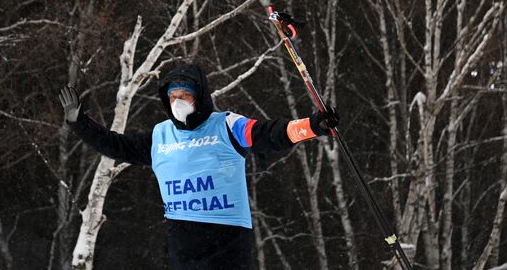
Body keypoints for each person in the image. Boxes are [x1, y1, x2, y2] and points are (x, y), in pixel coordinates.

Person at [59, 63, 339, 270]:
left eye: (185, 95)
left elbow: (270, 133)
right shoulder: (160, 136)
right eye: (172, 96)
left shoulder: (226, 124)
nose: (178, 102)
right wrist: (78, 122)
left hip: (227, 239)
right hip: (183, 241)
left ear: (200, 96)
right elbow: (115, 146)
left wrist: (313, 126)